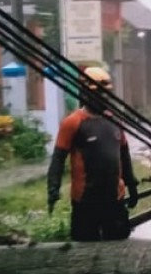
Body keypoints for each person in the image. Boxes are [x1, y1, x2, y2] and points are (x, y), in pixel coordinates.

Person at [47, 66, 140, 241]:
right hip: (85, 203)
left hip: (115, 201)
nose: (104, 97)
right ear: (85, 93)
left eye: (106, 93)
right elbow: (58, 159)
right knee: (85, 255)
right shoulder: (72, 123)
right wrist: (53, 189)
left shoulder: (115, 120)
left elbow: (124, 154)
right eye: (99, 93)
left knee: (119, 250)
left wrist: (132, 185)